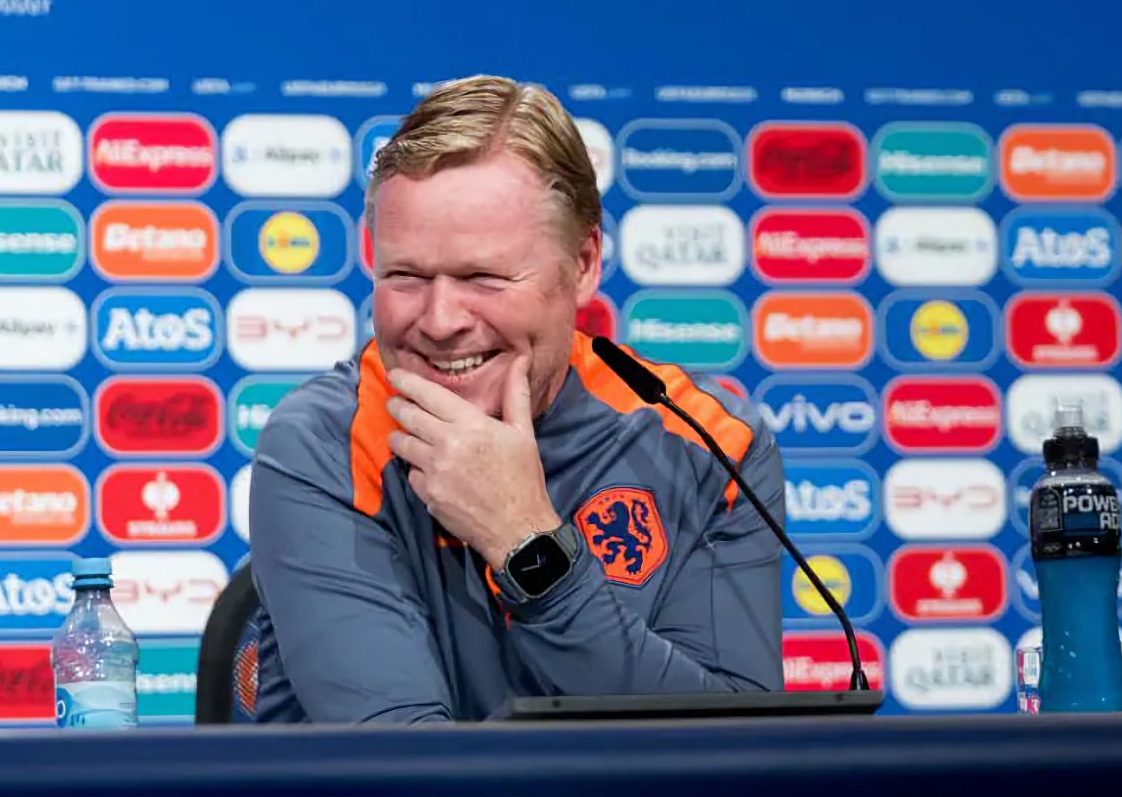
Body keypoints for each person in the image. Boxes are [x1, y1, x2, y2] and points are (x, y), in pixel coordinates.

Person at [248, 75, 785, 723]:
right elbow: (399, 757)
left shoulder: (711, 443)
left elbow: (735, 745)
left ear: (583, 263)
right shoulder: (325, 442)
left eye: (483, 277)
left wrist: (526, 541)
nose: (440, 319)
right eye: (406, 276)